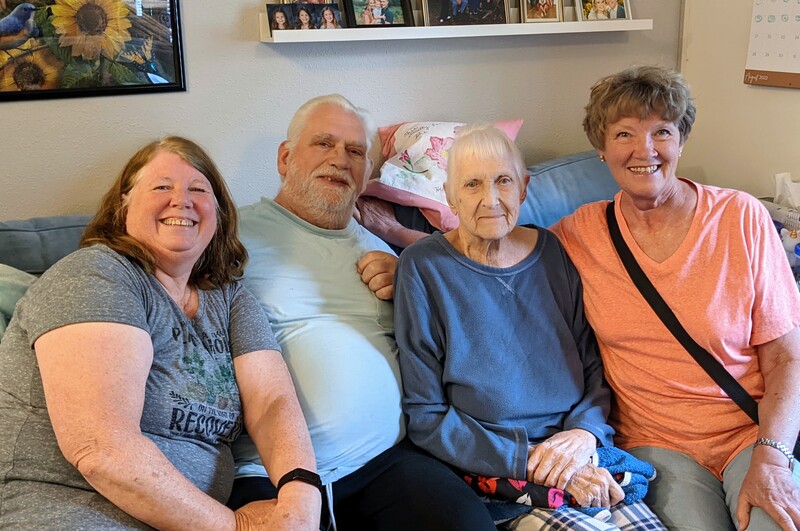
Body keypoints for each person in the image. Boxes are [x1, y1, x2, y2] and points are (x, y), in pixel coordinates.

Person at [0, 137, 321, 529]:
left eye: (198, 190)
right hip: (70, 510)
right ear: (123, 205)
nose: (181, 200)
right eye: (162, 187)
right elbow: (102, 449)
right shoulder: (96, 275)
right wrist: (238, 527)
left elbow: (272, 401)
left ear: (218, 213)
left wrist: (301, 496)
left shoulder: (232, 300)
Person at [229, 94, 496, 530]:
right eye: (324, 144)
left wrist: (408, 284)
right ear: (285, 157)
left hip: (387, 463)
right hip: (268, 473)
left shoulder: (384, 250)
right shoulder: (230, 236)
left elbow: (465, 332)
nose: (340, 160)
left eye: (355, 152)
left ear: (367, 172)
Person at [551, 65, 800, 530]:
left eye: (661, 131)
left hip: (752, 434)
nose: (644, 150)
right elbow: (495, 254)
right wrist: (408, 254)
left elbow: (788, 359)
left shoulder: (740, 217)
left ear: (681, 140)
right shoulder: (580, 233)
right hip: (655, 444)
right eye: (624, 133)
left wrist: (772, 458)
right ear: (601, 151)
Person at [393, 123, 665, 530]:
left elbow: (592, 364)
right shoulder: (422, 268)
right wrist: (533, 461)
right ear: (449, 196)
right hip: (502, 471)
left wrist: (585, 434)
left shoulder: (552, 251)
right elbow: (427, 415)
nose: (491, 199)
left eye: (503, 181)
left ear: (523, 188)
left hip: (580, 449)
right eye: (471, 184)